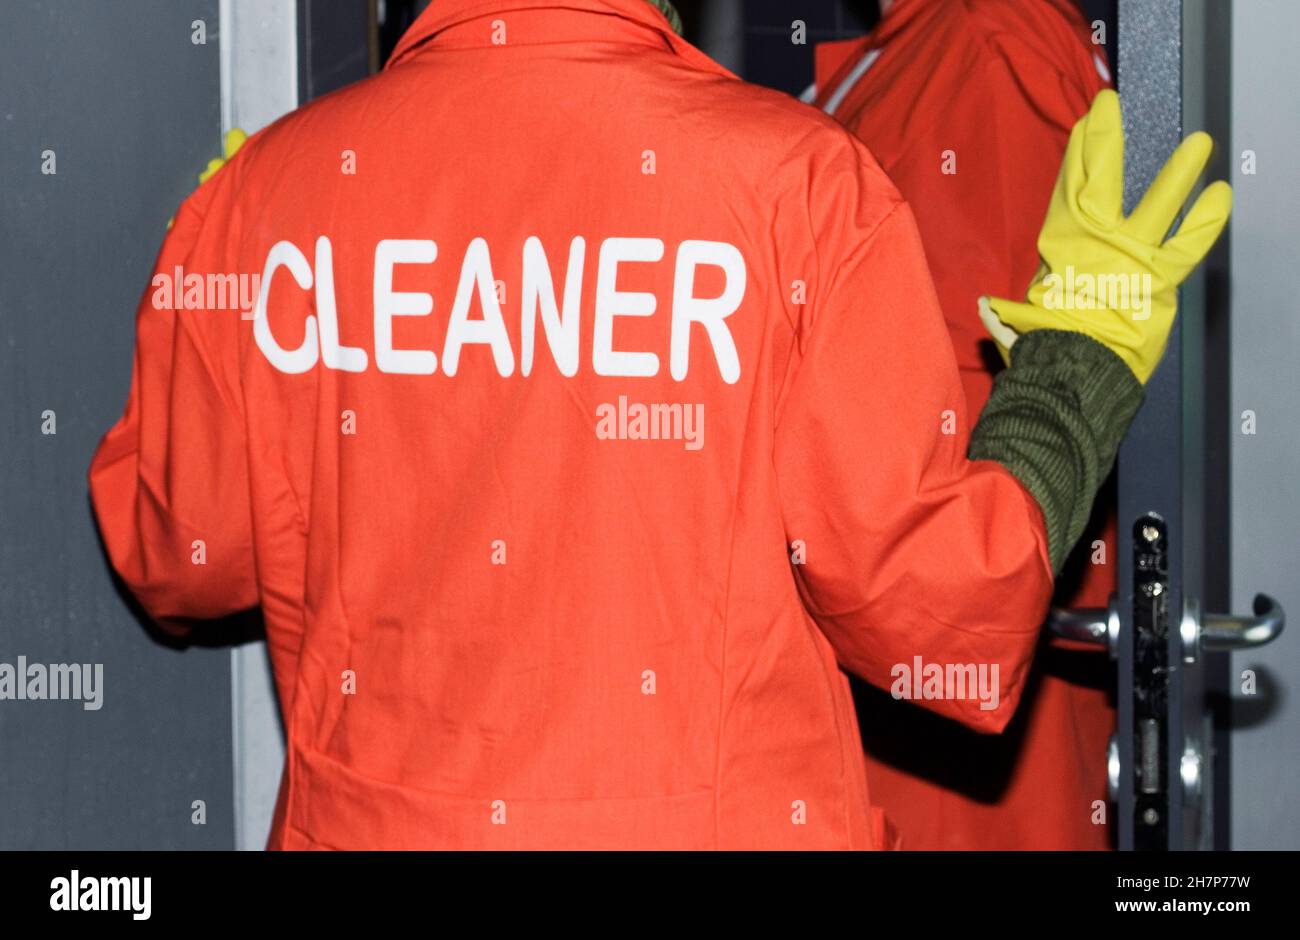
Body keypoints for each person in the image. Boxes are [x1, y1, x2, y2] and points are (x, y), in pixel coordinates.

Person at [88, 0, 1227, 849]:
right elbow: (944, 618)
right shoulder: (795, 190)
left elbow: (176, 555)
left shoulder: (272, 195)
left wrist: (207, 269)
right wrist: (1080, 351)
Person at [807, 0, 1126, 850]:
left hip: (946, 659)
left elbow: (1000, 379)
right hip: (918, 645)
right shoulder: (943, 42)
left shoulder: (986, 50)